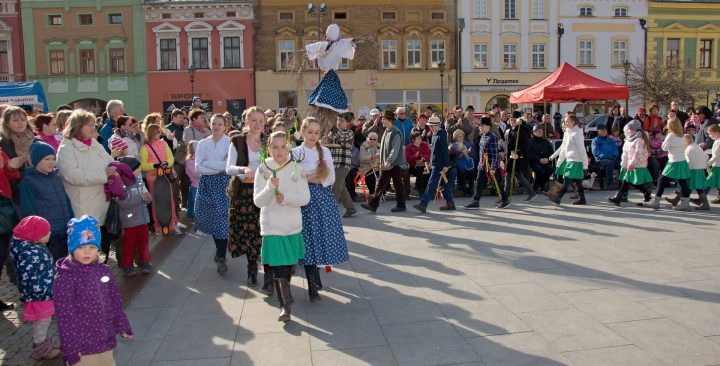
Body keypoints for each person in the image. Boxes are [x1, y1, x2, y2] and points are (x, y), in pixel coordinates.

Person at [54, 215, 132, 366]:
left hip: (105, 340)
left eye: (92, 247)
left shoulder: (103, 271)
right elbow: (65, 317)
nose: (87, 252)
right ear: (72, 248)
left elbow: (115, 300)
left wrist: (122, 325)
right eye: (81, 247)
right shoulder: (65, 278)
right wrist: (70, 348)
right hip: (82, 347)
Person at [254, 131, 310, 322]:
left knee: (287, 267)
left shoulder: (297, 168)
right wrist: (270, 187)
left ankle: (286, 296)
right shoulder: (263, 169)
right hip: (272, 227)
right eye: (274, 147)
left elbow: (305, 198)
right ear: (268, 148)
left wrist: (285, 198)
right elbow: (257, 201)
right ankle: (285, 306)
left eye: (282, 147)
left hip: (292, 226)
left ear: (288, 147)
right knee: (278, 266)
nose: (279, 151)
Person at [292, 117, 349, 302]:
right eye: (310, 132)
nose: (313, 136)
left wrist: (311, 176)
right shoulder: (295, 152)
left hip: (322, 199)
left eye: (316, 132)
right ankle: (311, 283)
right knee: (308, 239)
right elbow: (294, 177)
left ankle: (315, 272)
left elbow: (330, 177)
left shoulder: (324, 151)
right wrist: (313, 175)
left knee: (321, 237)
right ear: (302, 132)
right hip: (303, 200)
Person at [56, 110, 116, 263]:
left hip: (103, 202)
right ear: (77, 126)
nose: (93, 128)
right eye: (89, 125)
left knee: (101, 243)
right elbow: (72, 175)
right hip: (84, 205)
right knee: (85, 244)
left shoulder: (94, 143)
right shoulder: (67, 147)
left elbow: (109, 161)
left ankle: (99, 271)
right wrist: (104, 175)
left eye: (93, 124)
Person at [9, 216, 61, 360]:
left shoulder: (33, 247)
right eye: (47, 232)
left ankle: (45, 343)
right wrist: (42, 290)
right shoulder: (29, 253)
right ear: (36, 235)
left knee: (45, 321)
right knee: (42, 322)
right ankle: (41, 348)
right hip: (40, 295)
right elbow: (28, 277)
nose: (50, 234)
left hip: (44, 293)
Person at [226, 107, 268, 288]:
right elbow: (229, 168)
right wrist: (244, 169)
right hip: (245, 193)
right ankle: (252, 269)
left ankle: (268, 271)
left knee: (266, 232)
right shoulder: (237, 141)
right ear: (246, 121)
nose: (257, 124)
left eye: (260, 120)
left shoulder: (268, 141)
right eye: (253, 120)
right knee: (250, 233)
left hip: (265, 191)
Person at [20, 141, 73, 261]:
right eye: (46, 159)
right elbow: (28, 210)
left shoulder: (57, 177)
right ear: (36, 160)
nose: (51, 162)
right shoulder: (29, 182)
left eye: (53, 159)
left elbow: (66, 200)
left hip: (64, 229)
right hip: (48, 234)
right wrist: (37, 233)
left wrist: (72, 220)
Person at [195, 115, 231, 275]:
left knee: (222, 218)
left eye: (220, 124)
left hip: (223, 184)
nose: (216, 126)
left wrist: (208, 164)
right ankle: (220, 249)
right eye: (214, 123)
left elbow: (228, 166)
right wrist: (217, 166)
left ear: (225, 126)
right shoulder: (203, 143)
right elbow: (198, 167)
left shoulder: (230, 143)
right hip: (206, 185)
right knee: (211, 217)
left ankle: (221, 256)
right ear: (209, 125)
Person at [361, 110, 407, 213]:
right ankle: (374, 204)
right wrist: (381, 160)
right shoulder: (387, 131)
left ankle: (400, 205)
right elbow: (383, 148)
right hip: (386, 164)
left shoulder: (395, 132)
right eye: (382, 119)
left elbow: (395, 148)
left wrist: (389, 161)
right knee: (382, 184)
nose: (382, 120)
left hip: (393, 164)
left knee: (397, 184)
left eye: (384, 119)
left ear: (390, 120)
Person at [115, 157, 153, 275]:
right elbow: (124, 203)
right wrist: (141, 198)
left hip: (142, 219)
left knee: (144, 242)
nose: (139, 171)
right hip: (129, 222)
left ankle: (145, 262)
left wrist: (147, 198)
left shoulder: (139, 182)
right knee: (129, 244)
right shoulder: (121, 185)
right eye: (137, 169)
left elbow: (148, 198)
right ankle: (127, 265)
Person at [140, 124, 180, 235]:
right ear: (150, 133)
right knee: (156, 203)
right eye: (156, 132)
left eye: (159, 132)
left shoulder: (164, 143)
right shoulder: (145, 148)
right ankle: (158, 226)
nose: (158, 134)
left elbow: (171, 157)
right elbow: (143, 165)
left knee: (169, 201)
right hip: (153, 178)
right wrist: (156, 165)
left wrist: (166, 163)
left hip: (165, 177)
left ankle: (171, 224)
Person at [644, 118, 692, 210]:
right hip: (682, 160)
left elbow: (664, 148)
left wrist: (663, 139)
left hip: (674, 161)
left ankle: (656, 201)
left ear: (671, 126)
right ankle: (685, 203)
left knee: (661, 180)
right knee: (683, 181)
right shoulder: (682, 135)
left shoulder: (671, 136)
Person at [412, 116, 455, 212]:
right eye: (430, 126)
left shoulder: (441, 134)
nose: (431, 127)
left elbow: (444, 151)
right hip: (436, 163)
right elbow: (436, 150)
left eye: (433, 126)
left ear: (438, 125)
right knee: (443, 185)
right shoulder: (435, 134)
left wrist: (446, 165)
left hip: (439, 164)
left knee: (431, 184)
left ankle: (423, 204)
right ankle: (450, 203)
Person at [608, 120, 653, 206]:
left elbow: (637, 153)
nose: (627, 132)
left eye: (629, 130)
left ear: (634, 129)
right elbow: (625, 152)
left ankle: (619, 197)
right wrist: (624, 163)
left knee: (633, 182)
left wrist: (632, 163)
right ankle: (646, 193)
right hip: (629, 164)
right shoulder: (628, 140)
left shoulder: (639, 139)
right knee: (628, 181)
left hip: (638, 164)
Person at [548, 115, 589, 205]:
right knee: (578, 182)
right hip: (570, 160)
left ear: (573, 122)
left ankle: (558, 197)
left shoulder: (576, 133)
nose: (565, 123)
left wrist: (585, 165)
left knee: (567, 179)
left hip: (575, 160)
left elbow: (582, 149)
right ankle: (582, 199)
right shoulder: (568, 133)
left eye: (567, 121)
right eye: (565, 121)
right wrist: (556, 158)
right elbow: (563, 149)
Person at [327, 112, 357, 218]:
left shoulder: (349, 133)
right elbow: (330, 139)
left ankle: (331, 212)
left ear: (348, 123)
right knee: (342, 187)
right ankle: (351, 208)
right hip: (334, 163)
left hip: (344, 164)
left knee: (335, 186)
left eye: (342, 120)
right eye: (338, 120)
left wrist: (335, 129)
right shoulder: (334, 131)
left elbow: (342, 137)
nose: (339, 122)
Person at [505, 112, 536, 202]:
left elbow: (526, 145)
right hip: (511, 155)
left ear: (518, 120)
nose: (512, 121)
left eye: (514, 119)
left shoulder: (521, 130)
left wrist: (518, 153)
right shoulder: (512, 129)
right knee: (518, 175)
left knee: (509, 176)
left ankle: (504, 198)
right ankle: (532, 193)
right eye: (511, 119)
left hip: (517, 156)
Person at [166, 109, 189, 211]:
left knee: (186, 183)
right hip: (174, 161)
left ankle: (185, 204)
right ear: (173, 117)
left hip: (185, 160)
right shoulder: (167, 129)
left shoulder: (184, 128)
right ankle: (175, 207)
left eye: (183, 117)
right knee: (174, 185)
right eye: (179, 117)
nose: (182, 119)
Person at [680, 134, 710, 210]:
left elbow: (689, 161)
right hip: (700, 169)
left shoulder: (688, 149)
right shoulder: (697, 146)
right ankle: (705, 204)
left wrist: (685, 170)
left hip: (693, 170)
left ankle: (683, 202)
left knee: (689, 186)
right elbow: (706, 157)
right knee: (697, 187)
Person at [528, 124, 554, 192]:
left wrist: (548, 159)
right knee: (539, 170)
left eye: (541, 131)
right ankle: (543, 186)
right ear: (533, 132)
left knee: (550, 169)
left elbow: (551, 152)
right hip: (535, 161)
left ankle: (537, 184)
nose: (540, 132)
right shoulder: (530, 141)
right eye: (538, 131)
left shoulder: (545, 141)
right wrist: (539, 159)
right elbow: (529, 154)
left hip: (545, 160)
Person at [405, 131, 430, 196]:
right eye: (418, 138)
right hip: (413, 166)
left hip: (424, 165)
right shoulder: (409, 147)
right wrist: (415, 156)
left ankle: (426, 191)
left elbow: (428, 154)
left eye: (420, 138)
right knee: (420, 172)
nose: (420, 139)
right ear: (413, 140)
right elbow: (408, 159)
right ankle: (422, 192)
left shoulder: (424, 144)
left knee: (428, 172)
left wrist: (423, 158)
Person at [357, 131, 380, 199]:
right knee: (370, 176)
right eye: (370, 139)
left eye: (374, 139)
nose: (372, 141)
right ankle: (372, 193)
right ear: (367, 139)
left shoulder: (379, 145)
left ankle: (381, 193)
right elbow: (362, 158)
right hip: (366, 168)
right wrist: (372, 157)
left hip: (378, 167)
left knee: (386, 174)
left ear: (377, 140)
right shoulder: (363, 146)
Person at [704, 124, 720, 204]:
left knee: (708, 182)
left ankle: (701, 198)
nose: (709, 136)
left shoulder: (718, 142)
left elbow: (716, 156)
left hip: (717, 166)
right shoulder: (717, 141)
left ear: (717, 132)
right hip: (717, 165)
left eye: (710, 133)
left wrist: (707, 164)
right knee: (718, 182)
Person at [185, 141, 199, 219]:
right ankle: (197, 217)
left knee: (191, 201)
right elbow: (196, 174)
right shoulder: (194, 160)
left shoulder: (189, 159)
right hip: (196, 184)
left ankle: (190, 214)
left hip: (193, 183)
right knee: (196, 203)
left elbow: (188, 172)